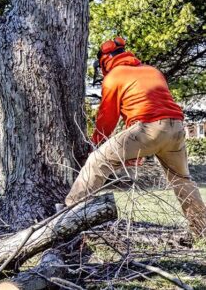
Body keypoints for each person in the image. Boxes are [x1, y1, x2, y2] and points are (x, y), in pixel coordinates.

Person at [65, 37, 206, 237]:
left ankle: (67, 214)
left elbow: (108, 118)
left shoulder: (114, 76)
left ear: (105, 60)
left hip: (148, 128)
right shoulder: (152, 70)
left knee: (97, 161)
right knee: (182, 180)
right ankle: (201, 230)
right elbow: (149, 107)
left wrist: (94, 143)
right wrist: (134, 151)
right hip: (176, 129)